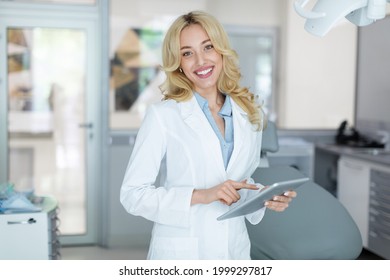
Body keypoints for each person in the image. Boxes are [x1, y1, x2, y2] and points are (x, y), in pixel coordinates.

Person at [120, 10, 297, 260]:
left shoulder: (249, 112)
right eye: (187, 53)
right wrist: (202, 195)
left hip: (232, 249)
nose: (201, 61)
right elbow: (133, 195)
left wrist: (262, 197)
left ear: (221, 51)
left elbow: (238, 183)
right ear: (178, 63)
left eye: (208, 47)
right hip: (182, 252)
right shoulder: (163, 115)